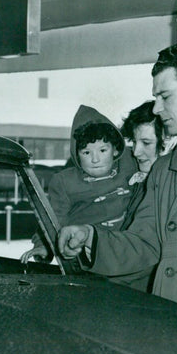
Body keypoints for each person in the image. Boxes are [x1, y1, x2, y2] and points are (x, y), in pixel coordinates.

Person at [57, 42, 177, 308]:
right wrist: (91, 236)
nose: (157, 108)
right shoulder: (164, 168)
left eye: (165, 97)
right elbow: (145, 243)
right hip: (169, 310)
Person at [21, 105, 136, 263]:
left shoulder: (130, 162)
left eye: (102, 151)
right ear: (77, 154)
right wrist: (45, 246)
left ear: (115, 149)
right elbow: (54, 218)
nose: (95, 159)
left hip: (127, 251)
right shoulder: (65, 182)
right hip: (85, 255)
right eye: (86, 152)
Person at [112, 101, 167, 291]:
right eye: (134, 142)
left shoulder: (164, 190)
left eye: (146, 143)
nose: (136, 152)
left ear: (168, 143)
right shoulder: (139, 180)